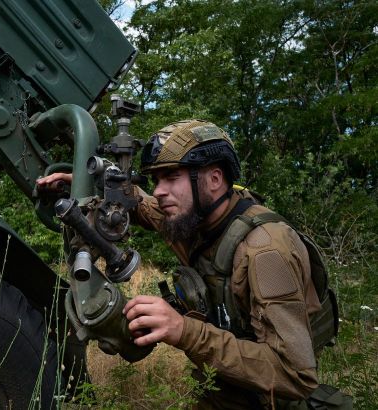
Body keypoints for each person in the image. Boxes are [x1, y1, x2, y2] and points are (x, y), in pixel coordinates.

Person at [37, 119, 341, 409]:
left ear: (214, 179)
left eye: (172, 177)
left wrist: (184, 330)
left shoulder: (266, 251)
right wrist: (82, 183)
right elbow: (140, 205)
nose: (159, 190)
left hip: (272, 399)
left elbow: (295, 375)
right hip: (225, 385)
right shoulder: (196, 219)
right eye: (156, 180)